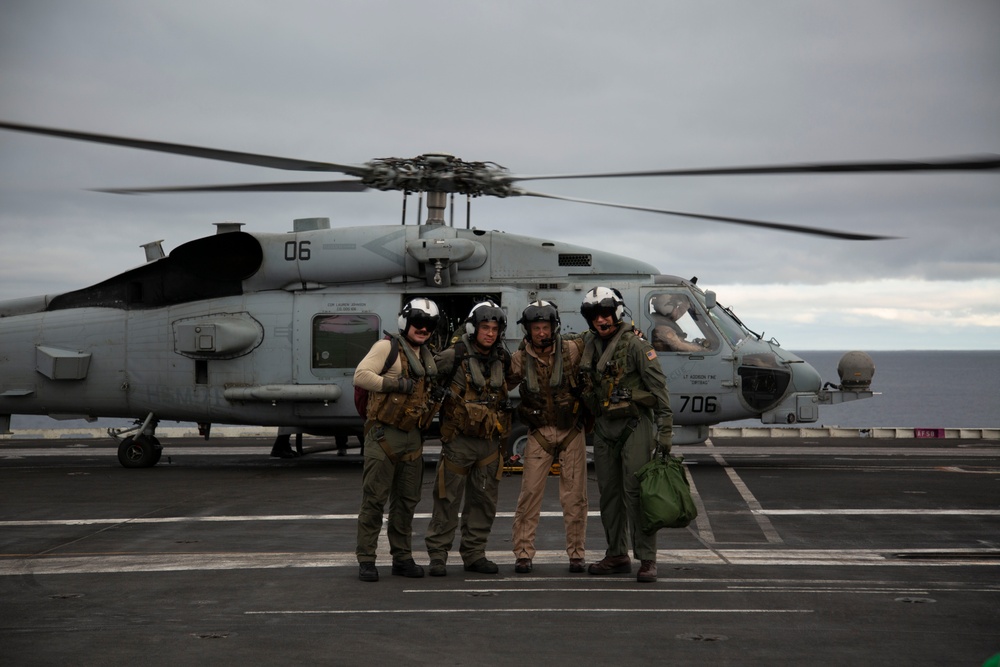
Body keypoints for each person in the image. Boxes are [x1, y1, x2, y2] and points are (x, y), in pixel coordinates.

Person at [578, 286, 673, 583]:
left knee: (636, 495)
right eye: (595, 316)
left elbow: (659, 390)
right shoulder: (589, 345)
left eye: (605, 314)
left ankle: (647, 559)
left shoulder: (636, 346)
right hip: (605, 428)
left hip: (635, 426)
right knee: (609, 495)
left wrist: (665, 432)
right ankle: (617, 554)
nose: (601, 321)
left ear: (616, 313)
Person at [353, 297, 442, 582]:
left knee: (407, 502)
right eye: (418, 322)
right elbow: (361, 376)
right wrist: (393, 383)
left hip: (413, 437)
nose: (423, 328)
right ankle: (366, 559)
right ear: (405, 321)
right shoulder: (386, 348)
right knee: (374, 501)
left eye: (428, 324)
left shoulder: (427, 354)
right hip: (383, 435)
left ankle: (402, 557)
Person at [425, 301, 511, 576]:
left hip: (489, 442)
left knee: (483, 502)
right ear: (474, 328)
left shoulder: (503, 359)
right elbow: (426, 383)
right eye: (485, 327)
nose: (490, 333)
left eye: (495, 329)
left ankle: (475, 554)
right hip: (458, 442)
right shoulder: (452, 356)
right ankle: (438, 556)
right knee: (446, 500)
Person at [507, 300, 589, 574]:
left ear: (554, 327)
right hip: (539, 431)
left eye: (545, 327)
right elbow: (499, 383)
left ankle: (577, 553)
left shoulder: (572, 350)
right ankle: (523, 553)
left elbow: (598, 341)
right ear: (528, 330)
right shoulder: (519, 360)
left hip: (571, 431)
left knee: (574, 497)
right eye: (536, 328)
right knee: (529, 494)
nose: (541, 333)